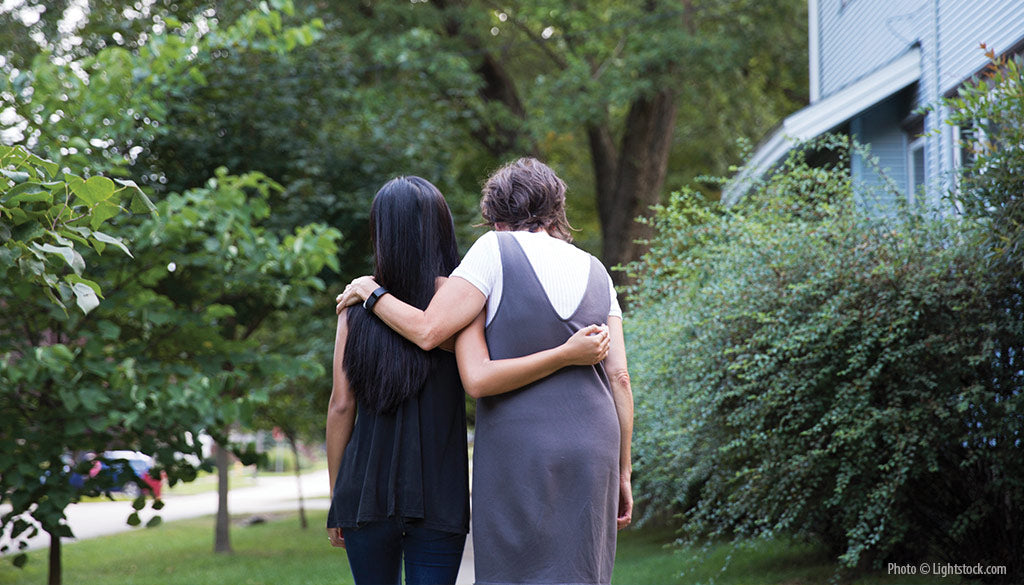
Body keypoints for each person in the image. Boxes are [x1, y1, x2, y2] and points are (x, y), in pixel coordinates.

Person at [336, 158, 634, 585]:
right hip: (597, 445)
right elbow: (619, 379)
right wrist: (624, 471)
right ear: (556, 208)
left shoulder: (494, 250)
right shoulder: (598, 271)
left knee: (514, 572)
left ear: (495, 215)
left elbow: (428, 330)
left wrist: (370, 290)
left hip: (521, 443)